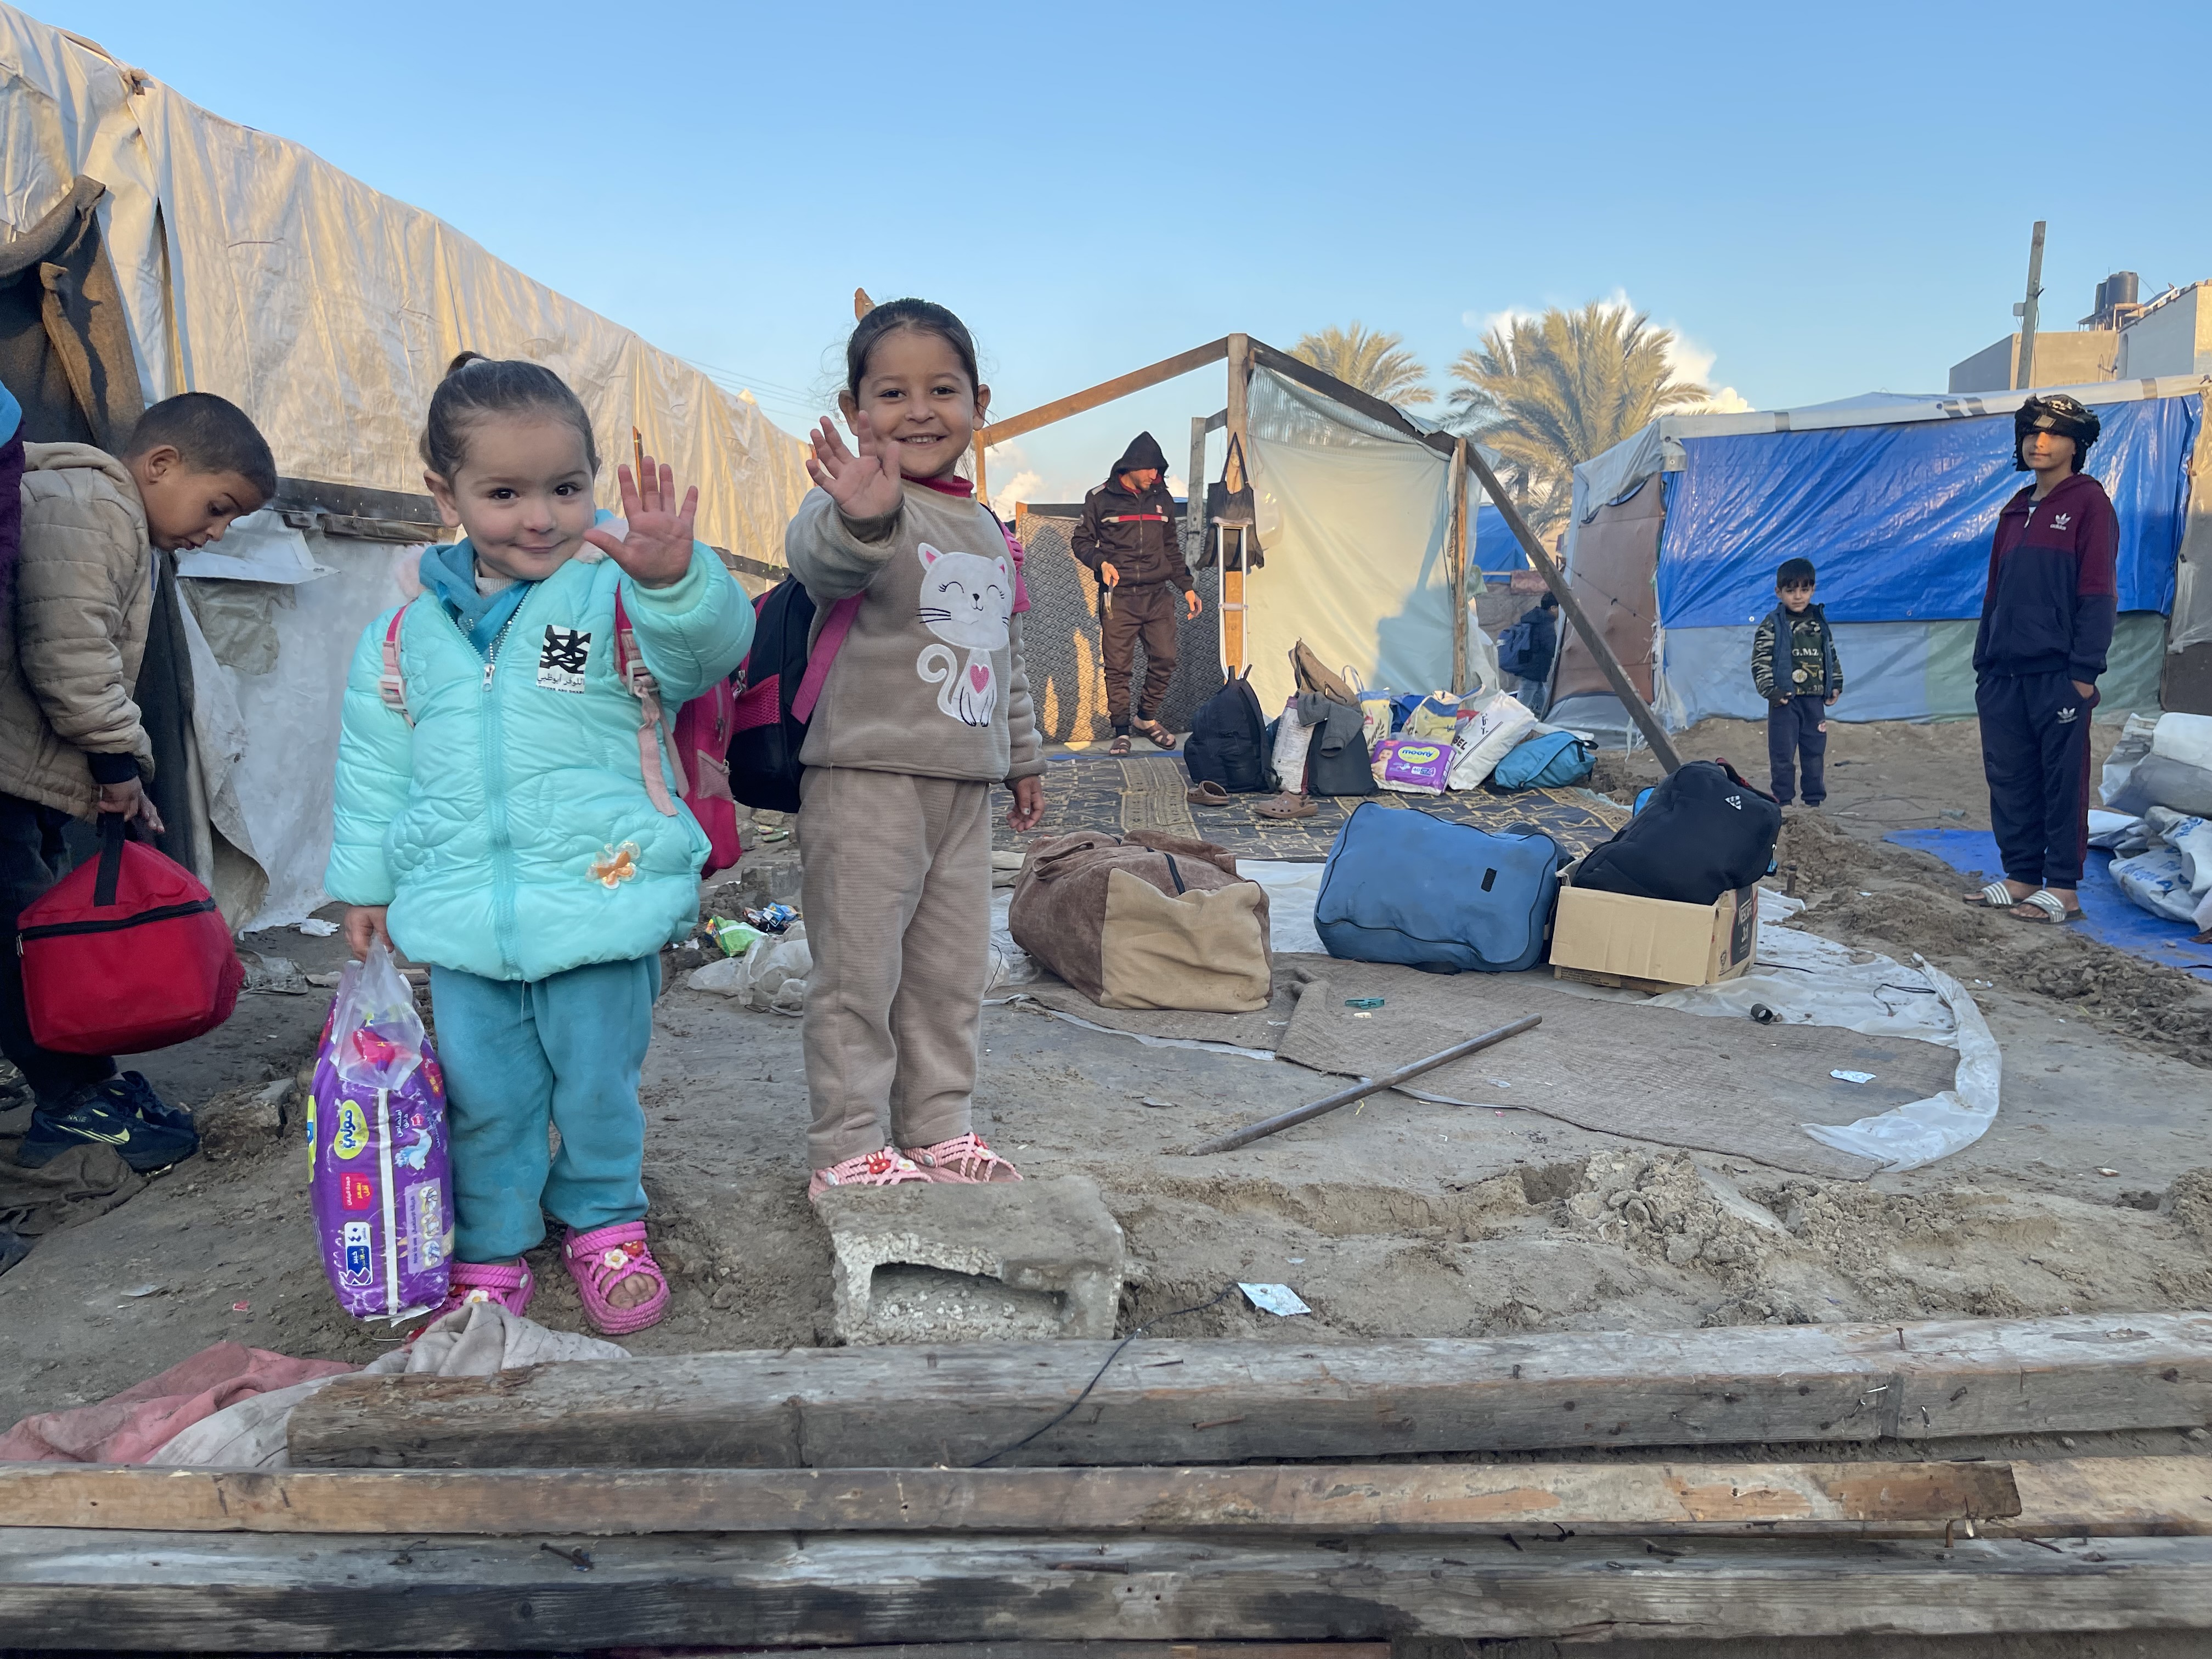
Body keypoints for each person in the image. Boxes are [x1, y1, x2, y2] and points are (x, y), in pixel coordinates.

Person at [328, 354, 753, 1335]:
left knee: (598, 1081)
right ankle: (492, 1237)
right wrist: (364, 883)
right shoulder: (402, 635)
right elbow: (372, 770)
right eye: (505, 492)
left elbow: (707, 650)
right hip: (467, 919)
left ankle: (604, 1219)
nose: (541, 517)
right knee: (485, 1093)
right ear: (446, 493)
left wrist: (679, 580)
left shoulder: (612, 598)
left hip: (601, 902)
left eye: (565, 488)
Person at [787, 298, 1043, 1199]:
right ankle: (846, 1143)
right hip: (865, 780)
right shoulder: (854, 506)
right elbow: (825, 562)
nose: (920, 410)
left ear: (980, 401)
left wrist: (1024, 756)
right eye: (891, 392)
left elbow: (1002, 657)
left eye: (942, 389)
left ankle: (937, 1124)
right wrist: (859, 516)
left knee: (947, 973)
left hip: (962, 790)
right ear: (857, 410)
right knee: (858, 973)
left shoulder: (987, 528)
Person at [5, 391, 275, 1173]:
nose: (216, 530)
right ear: (161, 465)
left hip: (18, 768)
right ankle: (70, 1099)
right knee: (13, 933)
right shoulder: (93, 505)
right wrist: (120, 765)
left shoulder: (107, 514)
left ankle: (76, 1083)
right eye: (218, 506)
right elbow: (69, 649)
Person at [1966, 393, 2116, 926]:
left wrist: (2082, 676)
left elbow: (2097, 593)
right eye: (2031, 432)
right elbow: (1994, 595)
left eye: (2053, 433)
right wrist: (1984, 665)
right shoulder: (2013, 509)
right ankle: (2022, 874)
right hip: (2003, 676)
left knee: (2060, 780)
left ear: (2078, 444)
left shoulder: (2089, 504)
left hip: (2058, 676)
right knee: (2010, 778)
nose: (2039, 441)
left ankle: (2064, 888)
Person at [1071, 432, 1198, 755]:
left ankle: (1146, 719)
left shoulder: (1163, 498)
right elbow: (1081, 542)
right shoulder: (1100, 498)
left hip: (1158, 595)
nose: (1155, 477)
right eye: (1150, 470)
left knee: (1166, 658)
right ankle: (1122, 731)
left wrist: (1186, 587)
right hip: (1119, 597)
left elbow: (1171, 548)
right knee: (1118, 667)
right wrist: (1100, 563)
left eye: (1159, 471)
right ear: (1131, 467)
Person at [1751, 557, 1843, 808]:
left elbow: (1830, 654)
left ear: (1813, 590)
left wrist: (1835, 684)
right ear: (1778, 592)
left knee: (1814, 753)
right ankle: (1783, 804)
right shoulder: (1773, 624)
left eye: (1804, 590)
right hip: (1785, 702)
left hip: (1814, 702)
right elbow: (1760, 660)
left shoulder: (1819, 621)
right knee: (1782, 756)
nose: (1798, 596)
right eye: (1791, 591)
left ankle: (1814, 802)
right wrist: (1770, 690)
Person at [1498, 591, 1558, 710]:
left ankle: (1542, 715)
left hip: (1531, 665)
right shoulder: (1546, 623)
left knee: (1540, 693)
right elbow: (1550, 647)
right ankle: (1516, 720)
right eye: (1560, 608)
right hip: (1535, 667)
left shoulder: (1534, 618)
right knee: (1523, 701)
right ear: (1553, 608)